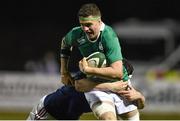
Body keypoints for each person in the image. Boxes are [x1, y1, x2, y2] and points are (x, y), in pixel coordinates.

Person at [26, 3, 145, 120]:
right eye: (82, 25)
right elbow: (65, 43)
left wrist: (139, 97)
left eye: (88, 24)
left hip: (74, 107)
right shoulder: (86, 74)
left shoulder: (109, 41)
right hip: (47, 110)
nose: (85, 29)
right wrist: (64, 72)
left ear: (99, 22)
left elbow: (119, 75)